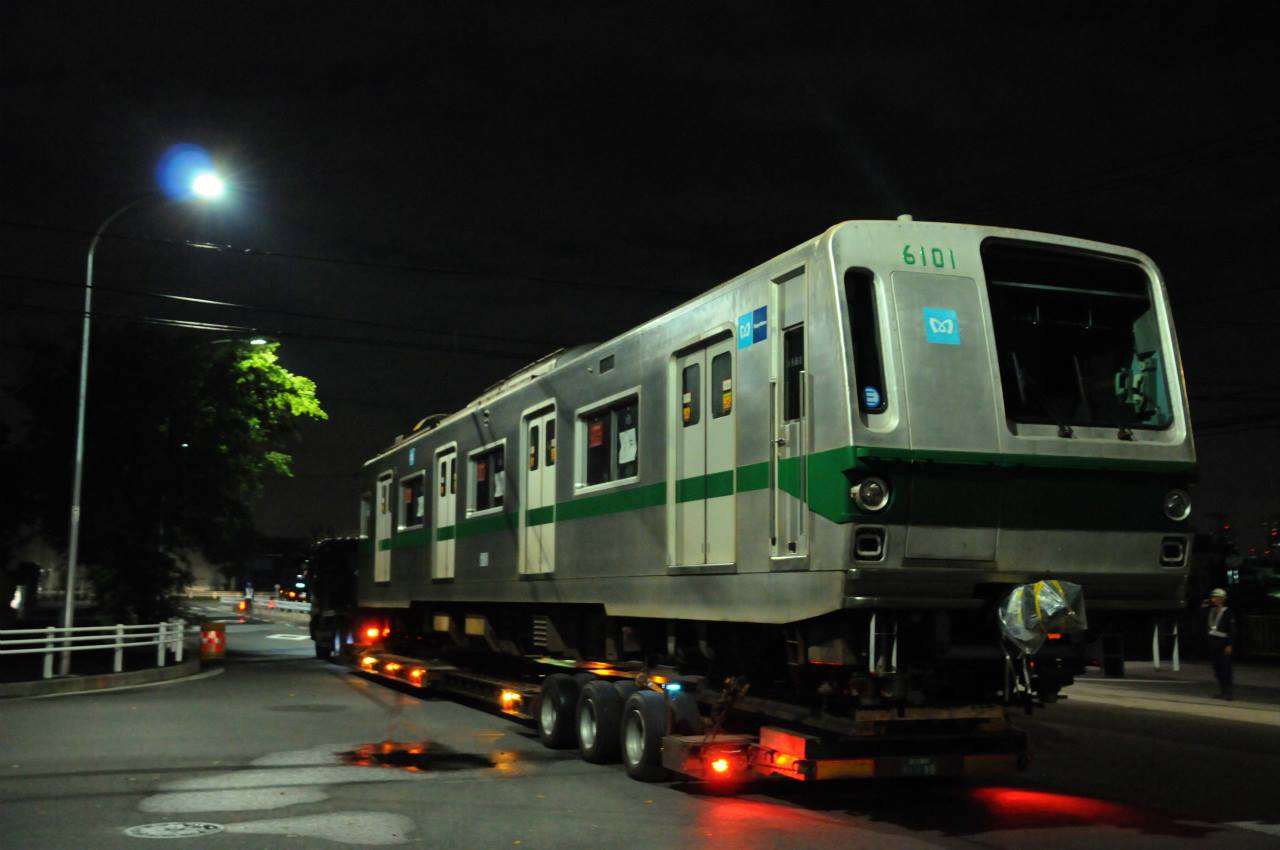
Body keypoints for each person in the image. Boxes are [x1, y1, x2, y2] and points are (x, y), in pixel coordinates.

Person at [1201, 588, 1237, 700]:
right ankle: (1222, 691)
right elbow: (1200, 617)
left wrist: (1230, 645)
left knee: (1226, 668)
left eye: (1217, 597)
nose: (1214, 599)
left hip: (1223, 643)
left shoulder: (1228, 612)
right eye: (1213, 597)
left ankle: (1228, 692)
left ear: (1222, 599)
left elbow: (1232, 630)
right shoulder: (1210, 611)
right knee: (1217, 669)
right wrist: (1203, 607)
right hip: (1213, 643)